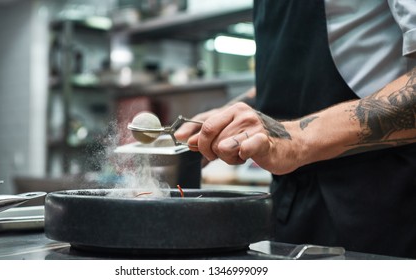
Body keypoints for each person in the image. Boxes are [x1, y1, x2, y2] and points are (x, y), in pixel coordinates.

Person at [175, 0, 416, 259]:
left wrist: (298, 139)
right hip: (290, 203)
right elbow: (293, 74)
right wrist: (230, 115)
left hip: (381, 201)